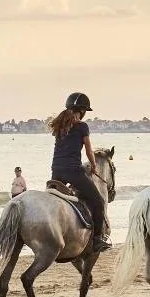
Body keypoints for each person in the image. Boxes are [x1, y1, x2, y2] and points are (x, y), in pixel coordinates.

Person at [47, 92, 111, 252]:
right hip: (73, 171)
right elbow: (89, 150)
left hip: (56, 170)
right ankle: (97, 239)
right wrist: (94, 165)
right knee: (98, 201)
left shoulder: (60, 125)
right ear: (82, 111)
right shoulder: (82, 126)